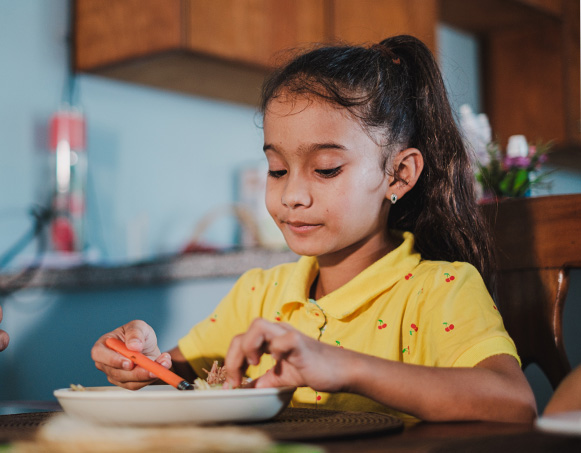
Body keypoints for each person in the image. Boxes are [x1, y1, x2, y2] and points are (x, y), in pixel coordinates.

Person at [92, 35, 536, 423]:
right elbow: (178, 373)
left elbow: (513, 401)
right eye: (278, 169)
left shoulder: (440, 290)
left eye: (325, 170)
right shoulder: (258, 296)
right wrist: (143, 359)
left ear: (398, 175)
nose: (291, 196)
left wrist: (345, 366)